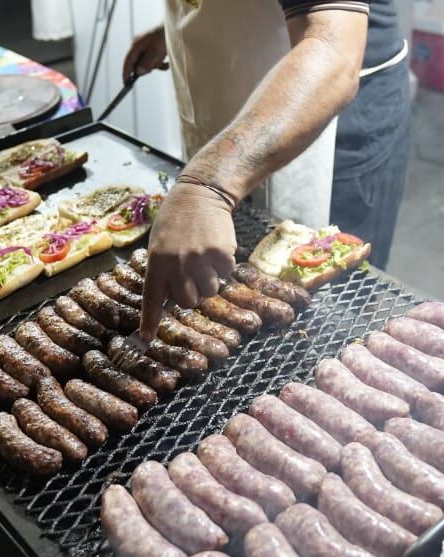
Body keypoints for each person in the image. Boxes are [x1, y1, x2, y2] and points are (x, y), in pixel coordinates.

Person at [122, 0, 411, 341]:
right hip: (233, 118)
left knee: (328, 328)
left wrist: (207, 185)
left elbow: (334, 49)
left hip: (328, 117)